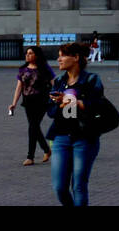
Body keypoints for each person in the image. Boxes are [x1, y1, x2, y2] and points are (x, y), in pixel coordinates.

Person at [46, 42, 105, 206]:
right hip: (61, 137)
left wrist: (74, 101)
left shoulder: (92, 80)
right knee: (59, 187)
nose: (59, 59)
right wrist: (57, 103)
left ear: (76, 58)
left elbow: (97, 104)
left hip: (84, 137)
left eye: (63, 55)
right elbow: (50, 111)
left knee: (79, 185)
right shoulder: (58, 81)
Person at [8, 46, 54, 166]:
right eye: (27, 53)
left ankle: (30, 157)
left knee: (33, 126)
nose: (27, 55)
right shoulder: (23, 69)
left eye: (31, 53)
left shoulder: (44, 68)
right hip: (28, 101)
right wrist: (14, 103)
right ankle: (46, 150)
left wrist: (57, 98)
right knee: (34, 127)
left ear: (37, 55)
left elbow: (53, 83)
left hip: (42, 101)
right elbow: (19, 87)